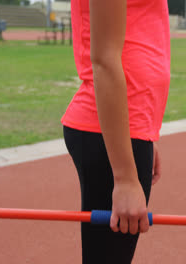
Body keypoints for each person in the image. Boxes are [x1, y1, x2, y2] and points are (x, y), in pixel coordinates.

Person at [61, 0, 170, 263]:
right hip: (108, 131)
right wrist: (124, 178)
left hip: (126, 128)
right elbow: (104, 61)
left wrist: (143, 130)